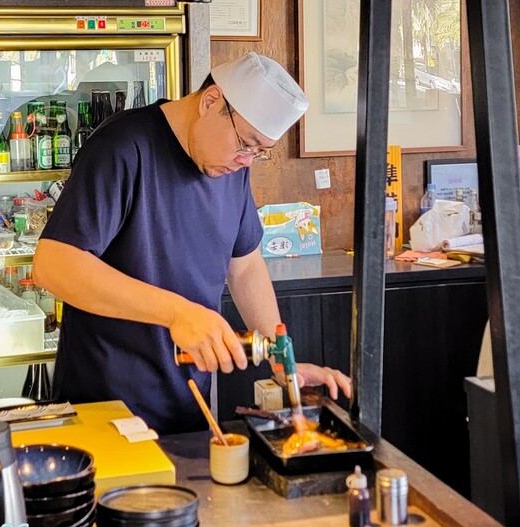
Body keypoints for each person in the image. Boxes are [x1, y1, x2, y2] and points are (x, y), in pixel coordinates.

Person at [33, 52, 352, 435]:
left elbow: (246, 265)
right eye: (247, 144)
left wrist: (284, 364)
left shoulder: (229, 166)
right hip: (107, 407)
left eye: (259, 152)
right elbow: (53, 264)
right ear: (211, 101)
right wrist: (177, 313)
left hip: (189, 406)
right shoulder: (123, 147)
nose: (246, 160)